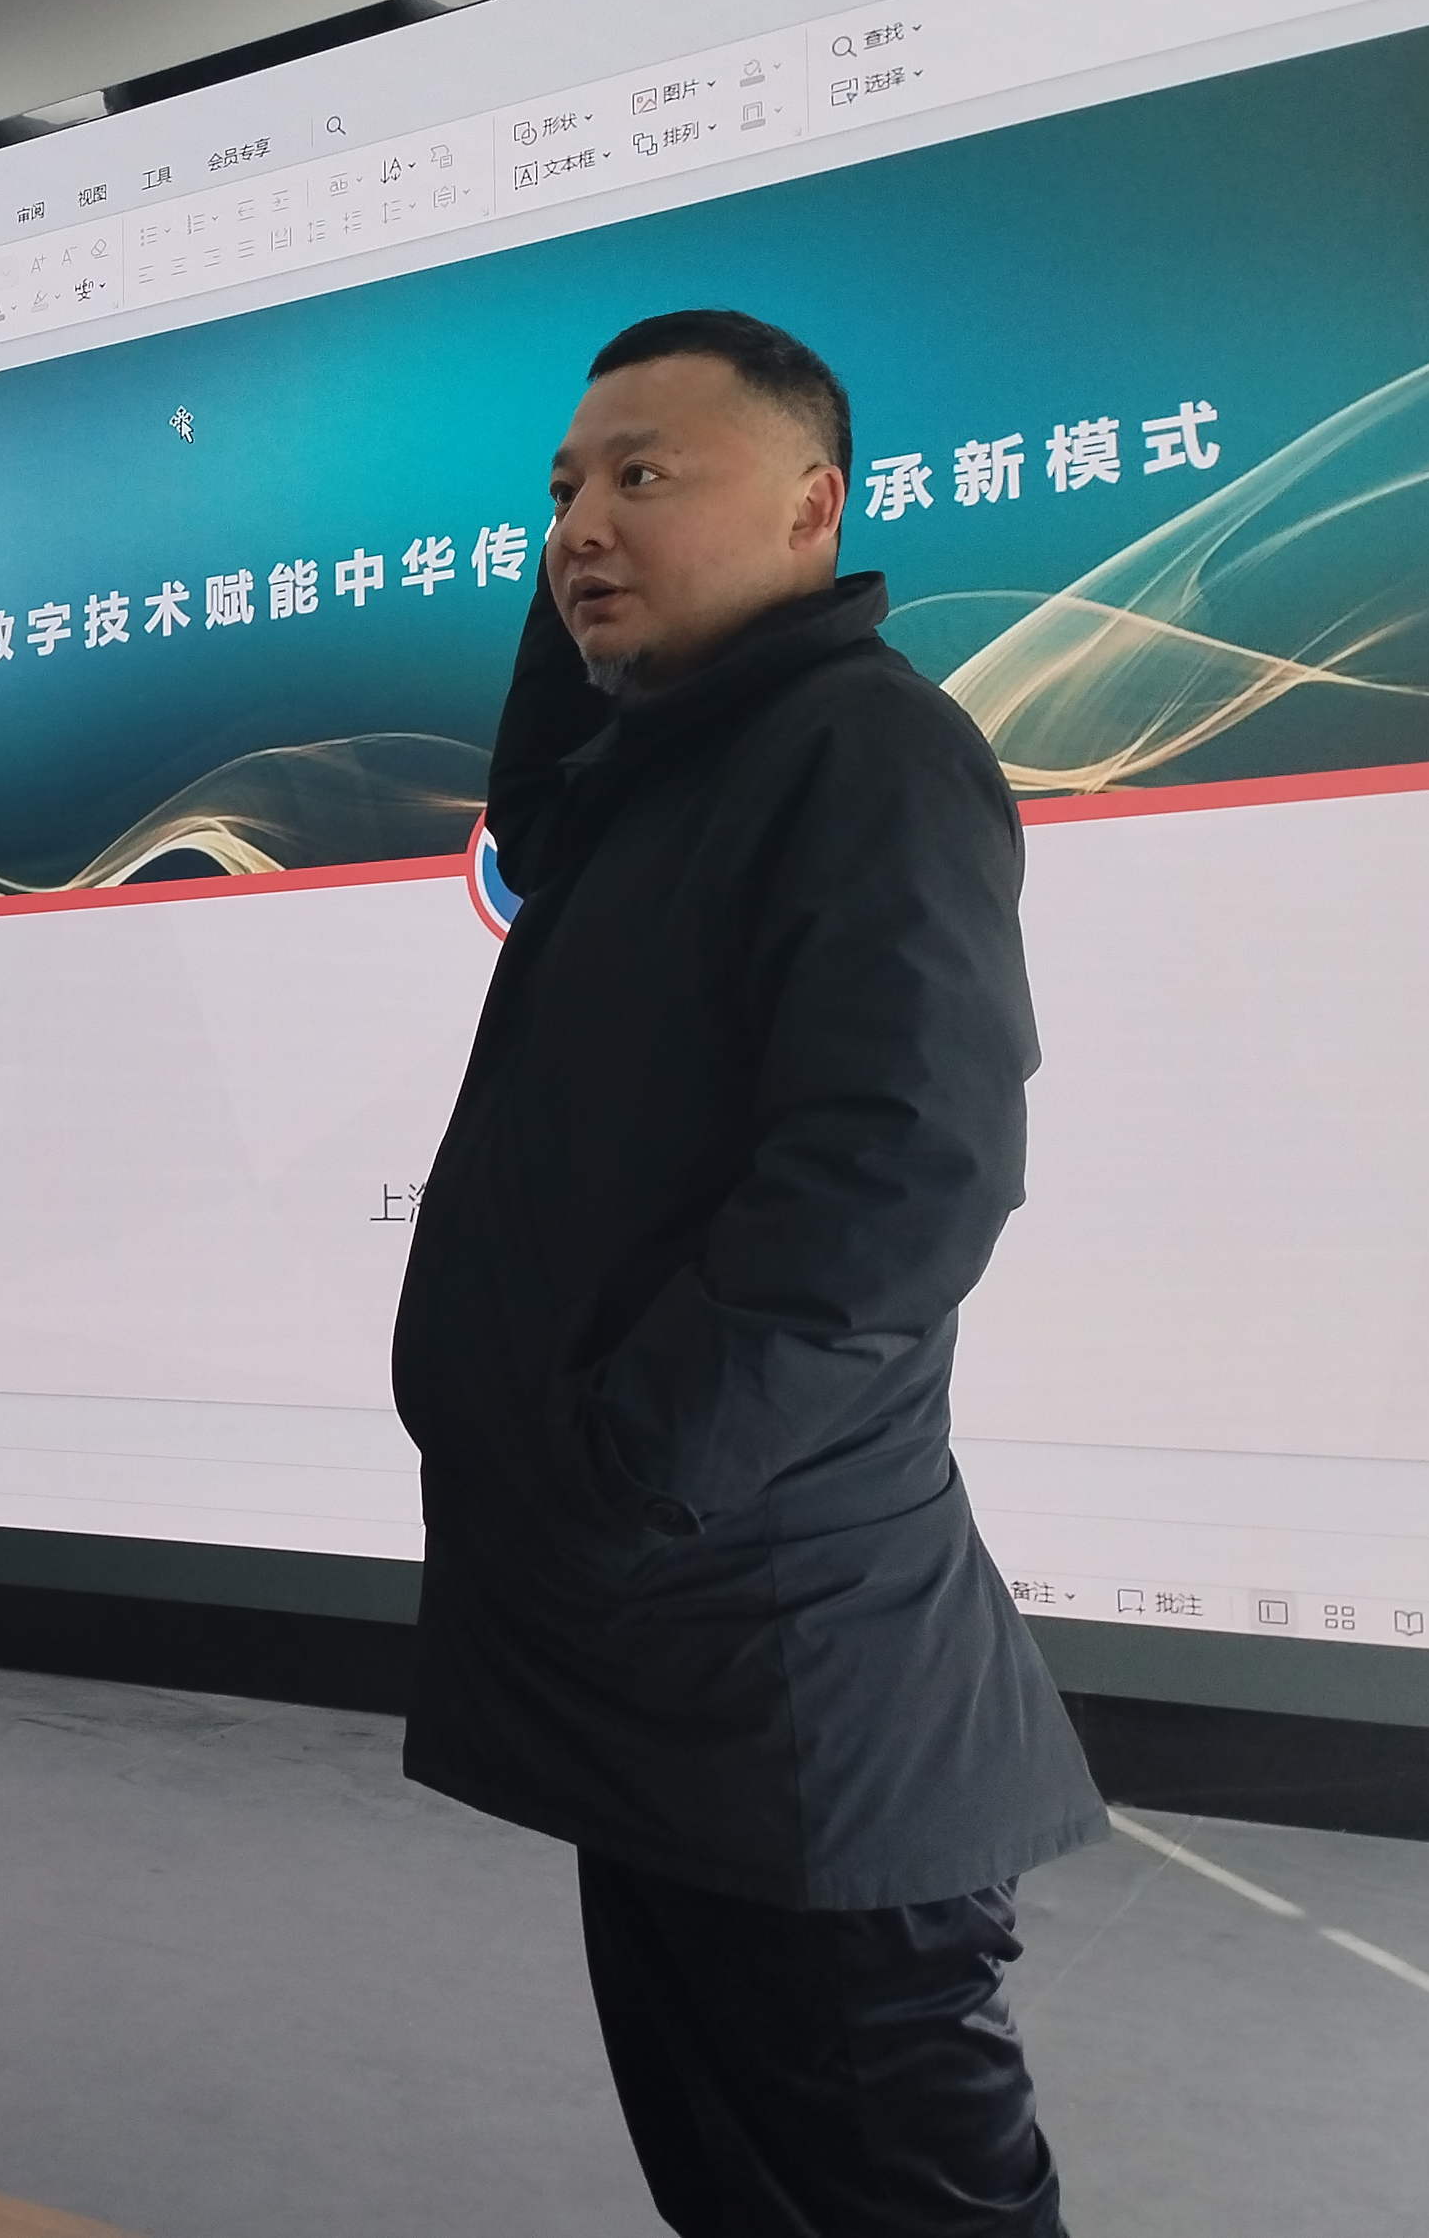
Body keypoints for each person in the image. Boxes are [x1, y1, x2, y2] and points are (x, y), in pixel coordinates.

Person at [393, 312, 1104, 2236]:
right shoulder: (665, 772)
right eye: (560, 488)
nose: (580, 525)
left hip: (789, 1677)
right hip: (666, 1656)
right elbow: (538, 802)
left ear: (809, 510)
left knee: (890, 2193)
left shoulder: (863, 749)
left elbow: (901, 1174)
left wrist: (634, 1468)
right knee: (741, 2193)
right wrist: (595, 574)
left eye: (645, 475)